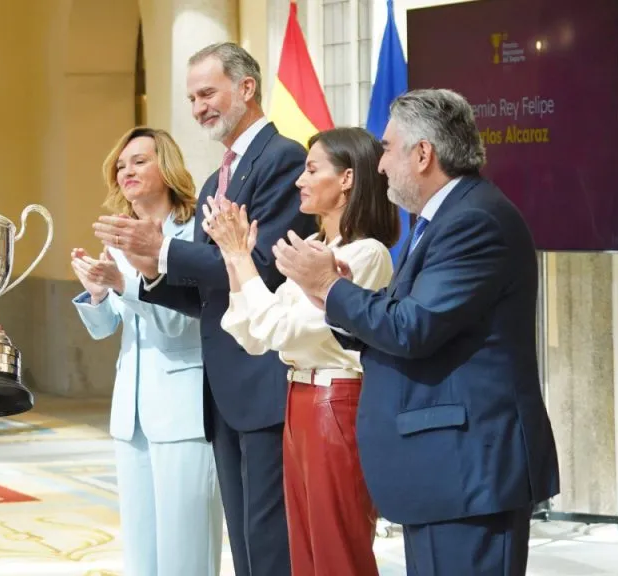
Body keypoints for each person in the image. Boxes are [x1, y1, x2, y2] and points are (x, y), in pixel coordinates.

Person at [272, 88, 561, 575]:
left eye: (386, 149)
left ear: (423, 154)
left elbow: (414, 328)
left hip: (470, 472)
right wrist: (336, 291)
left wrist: (330, 287)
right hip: (442, 471)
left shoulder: (473, 220)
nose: (379, 166)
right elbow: (403, 314)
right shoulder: (444, 218)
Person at [91, 42, 317, 575]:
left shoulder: (281, 158)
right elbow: (203, 293)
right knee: (242, 543)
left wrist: (164, 250)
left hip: (263, 379)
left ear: (246, 88)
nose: (198, 108)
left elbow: (258, 266)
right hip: (223, 388)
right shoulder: (221, 177)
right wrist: (151, 271)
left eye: (207, 93)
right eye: (192, 98)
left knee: (267, 540)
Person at [204, 126, 398, 576]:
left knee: (337, 551)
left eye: (312, 169)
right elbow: (253, 332)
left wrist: (240, 258)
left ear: (347, 179)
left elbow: (280, 329)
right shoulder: (314, 247)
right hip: (299, 400)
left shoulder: (367, 255)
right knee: (305, 553)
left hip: (338, 403)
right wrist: (236, 260)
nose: (299, 181)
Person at [70, 126, 223, 576]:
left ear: (167, 167)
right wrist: (99, 293)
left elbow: (180, 322)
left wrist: (126, 284)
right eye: (120, 165)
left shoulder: (195, 232)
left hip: (182, 410)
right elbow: (109, 328)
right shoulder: (120, 236)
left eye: (139, 160)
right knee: (142, 554)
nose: (126, 171)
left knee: (186, 550)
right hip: (131, 414)